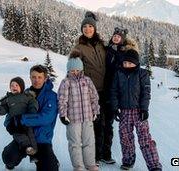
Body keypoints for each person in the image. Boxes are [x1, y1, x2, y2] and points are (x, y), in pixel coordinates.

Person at [110, 49, 162, 171]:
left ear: (136, 63)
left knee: (145, 139)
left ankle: (154, 165)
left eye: (130, 63)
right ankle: (128, 161)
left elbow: (146, 93)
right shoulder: (118, 73)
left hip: (138, 111)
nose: (127, 65)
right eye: (125, 63)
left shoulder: (142, 73)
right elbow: (114, 92)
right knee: (125, 138)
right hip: (124, 112)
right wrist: (115, 108)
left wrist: (144, 109)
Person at [1, 65, 59, 171]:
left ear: (45, 78)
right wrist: (9, 123)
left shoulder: (52, 96)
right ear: (30, 77)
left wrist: (22, 119)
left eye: (39, 77)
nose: (36, 80)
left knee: (50, 168)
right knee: (8, 157)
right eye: (33, 77)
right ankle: (10, 162)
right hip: (24, 138)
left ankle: (52, 162)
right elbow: (12, 111)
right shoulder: (24, 94)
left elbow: (46, 118)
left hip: (42, 140)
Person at [72, 11, 106, 165]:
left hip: (105, 90)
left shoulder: (101, 45)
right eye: (84, 26)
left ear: (95, 28)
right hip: (90, 93)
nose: (87, 29)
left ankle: (104, 153)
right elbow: (73, 69)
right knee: (93, 125)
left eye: (90, 26)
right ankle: (94, 157)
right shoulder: (78, 47)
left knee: (105, 123)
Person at [58, 49, 100, 171]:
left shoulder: (87, 81)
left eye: (77, 70)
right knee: (74, 143)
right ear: (68, 70)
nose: (75, 72)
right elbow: (62, 99)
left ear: (81, 69)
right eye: (72, 70)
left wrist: (95, 111)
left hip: (87, 117)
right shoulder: (66, 82)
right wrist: (63, 114)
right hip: (73, 118)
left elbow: (94, 97)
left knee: (89, 141)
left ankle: (90, 164)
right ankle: (78, 167)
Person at [103, 27, 139, 164]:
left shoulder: (126, 53)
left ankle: (106, 154)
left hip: (118, 91)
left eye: (119, 36)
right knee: (101, 123)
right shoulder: (107, 50)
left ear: (123, 39)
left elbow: (131, 69)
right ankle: (99, 154)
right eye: (115, 36)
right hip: (104, 88)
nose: (116, 38)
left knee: (109, 124)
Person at [0, 77, 38, 162]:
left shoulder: (27, 97)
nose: (14, 87)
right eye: (12, 85)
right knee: (18, 135)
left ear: (22, 87)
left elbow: (33, 103)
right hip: (15, 123)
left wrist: (32, 111)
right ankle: (27, 147)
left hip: (25, 121)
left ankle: (33, 154)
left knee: (31, 135)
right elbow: (4, 109)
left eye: (16, 85)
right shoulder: (8, 99)